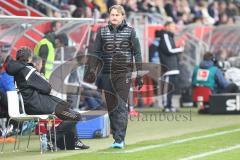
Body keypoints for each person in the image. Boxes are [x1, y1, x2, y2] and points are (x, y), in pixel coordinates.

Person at [6, 47, 89, 150]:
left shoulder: (17, 71)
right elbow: (47, 87)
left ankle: (73, 141)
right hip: (37, 104)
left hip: (31, 104)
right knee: (75, 116)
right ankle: (52, 136)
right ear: (30, 58)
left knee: (69, 111)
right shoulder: (28, 70)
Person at [84, 5, 143, 149]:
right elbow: (96, 52)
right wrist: (92, 69)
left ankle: (119, 139)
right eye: (112, 15)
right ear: (109, 17)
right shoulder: (102, 32)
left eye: (117, 15)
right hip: (106, 74)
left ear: (123, 16)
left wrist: (139, 74)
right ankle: (116, 136)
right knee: (111, 107)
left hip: (124, 74)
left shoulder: (130, 32)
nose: (114, 17)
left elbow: (137, 53)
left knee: (121, 106)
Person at [156, 20, 184, 112]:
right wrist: (180, 48)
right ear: (166, 27)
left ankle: (169, 105)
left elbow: (172, 50)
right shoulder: (165, 36)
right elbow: (169, 50)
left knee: (171, 88)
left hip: (173, 67)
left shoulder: (169, 37)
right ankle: (166, 106)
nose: (174, 28)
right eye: (172, 26)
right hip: (168, 68)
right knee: (167, 88)